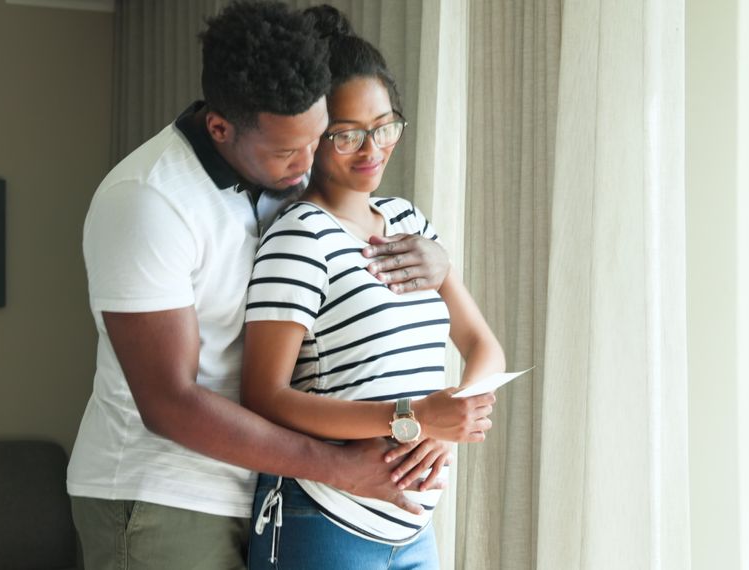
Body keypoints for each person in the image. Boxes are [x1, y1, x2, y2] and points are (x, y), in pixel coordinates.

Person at [66, 2, 498, 569]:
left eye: (319, 137)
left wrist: (439, 264)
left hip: (274, 487)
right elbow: (170, 403)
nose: (307, 163)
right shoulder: (148, 202)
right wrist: (341, 463)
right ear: (220, 127)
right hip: (163, 493)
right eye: (288, 151)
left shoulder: (283, 173)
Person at [241, 5, 507, 569]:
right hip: (323, 520)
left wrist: (445, 425)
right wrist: (412, 415)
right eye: (348, 136)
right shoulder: (299, 237)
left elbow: (484, 347)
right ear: (315, 135)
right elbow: (263, 397)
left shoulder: (410, 224)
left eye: (385, 126)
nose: (373, 150)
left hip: (414, 529)